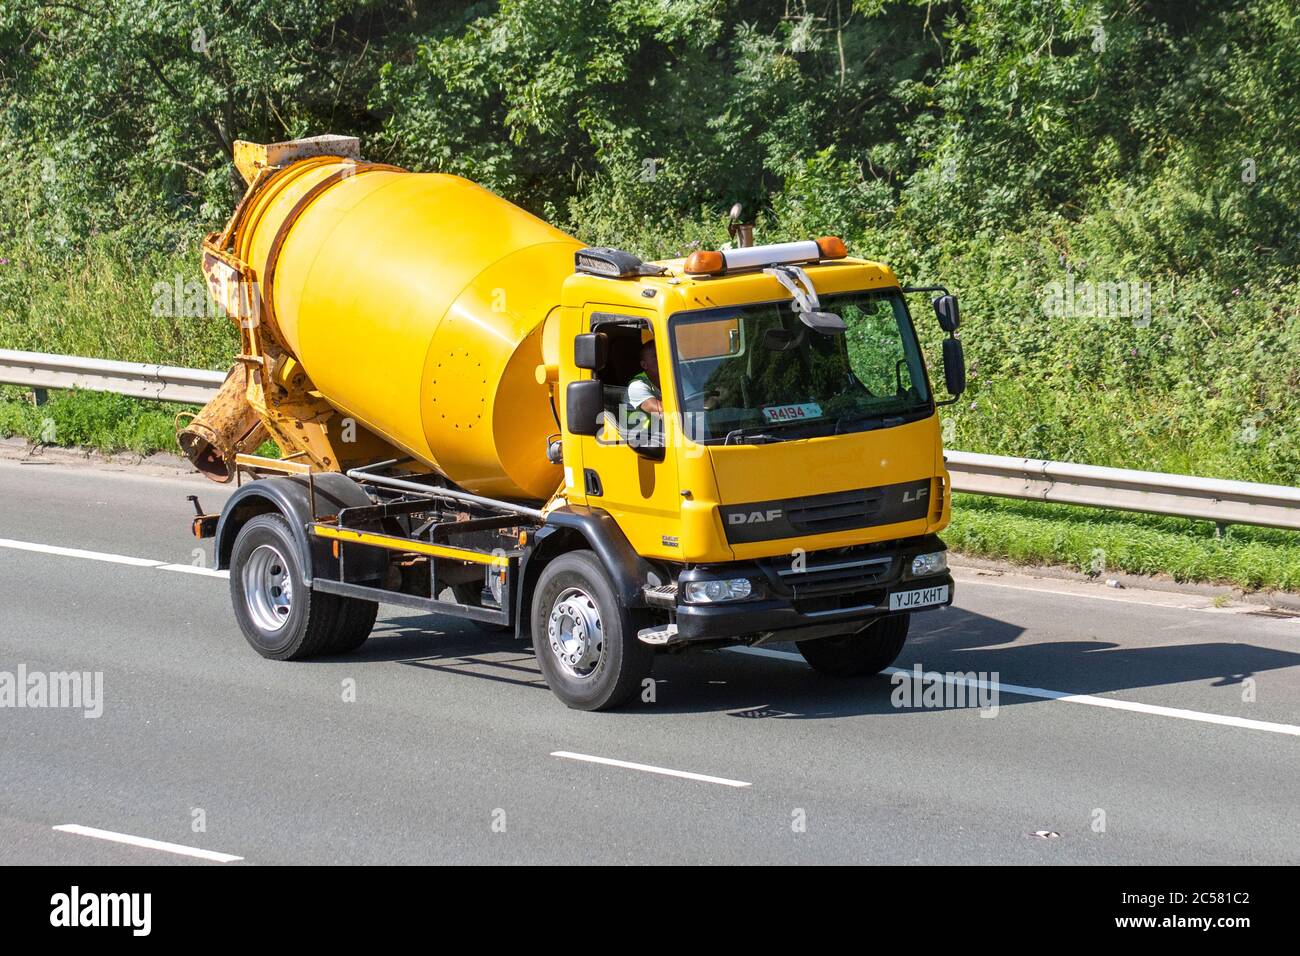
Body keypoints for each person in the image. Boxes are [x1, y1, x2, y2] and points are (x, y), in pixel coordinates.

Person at [625, 339, 663, 415]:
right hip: (639, 427)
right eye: (656, 355)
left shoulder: (673, 378)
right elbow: (662, 411)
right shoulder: (636, 386)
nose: (663, 358)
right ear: (644, 365)